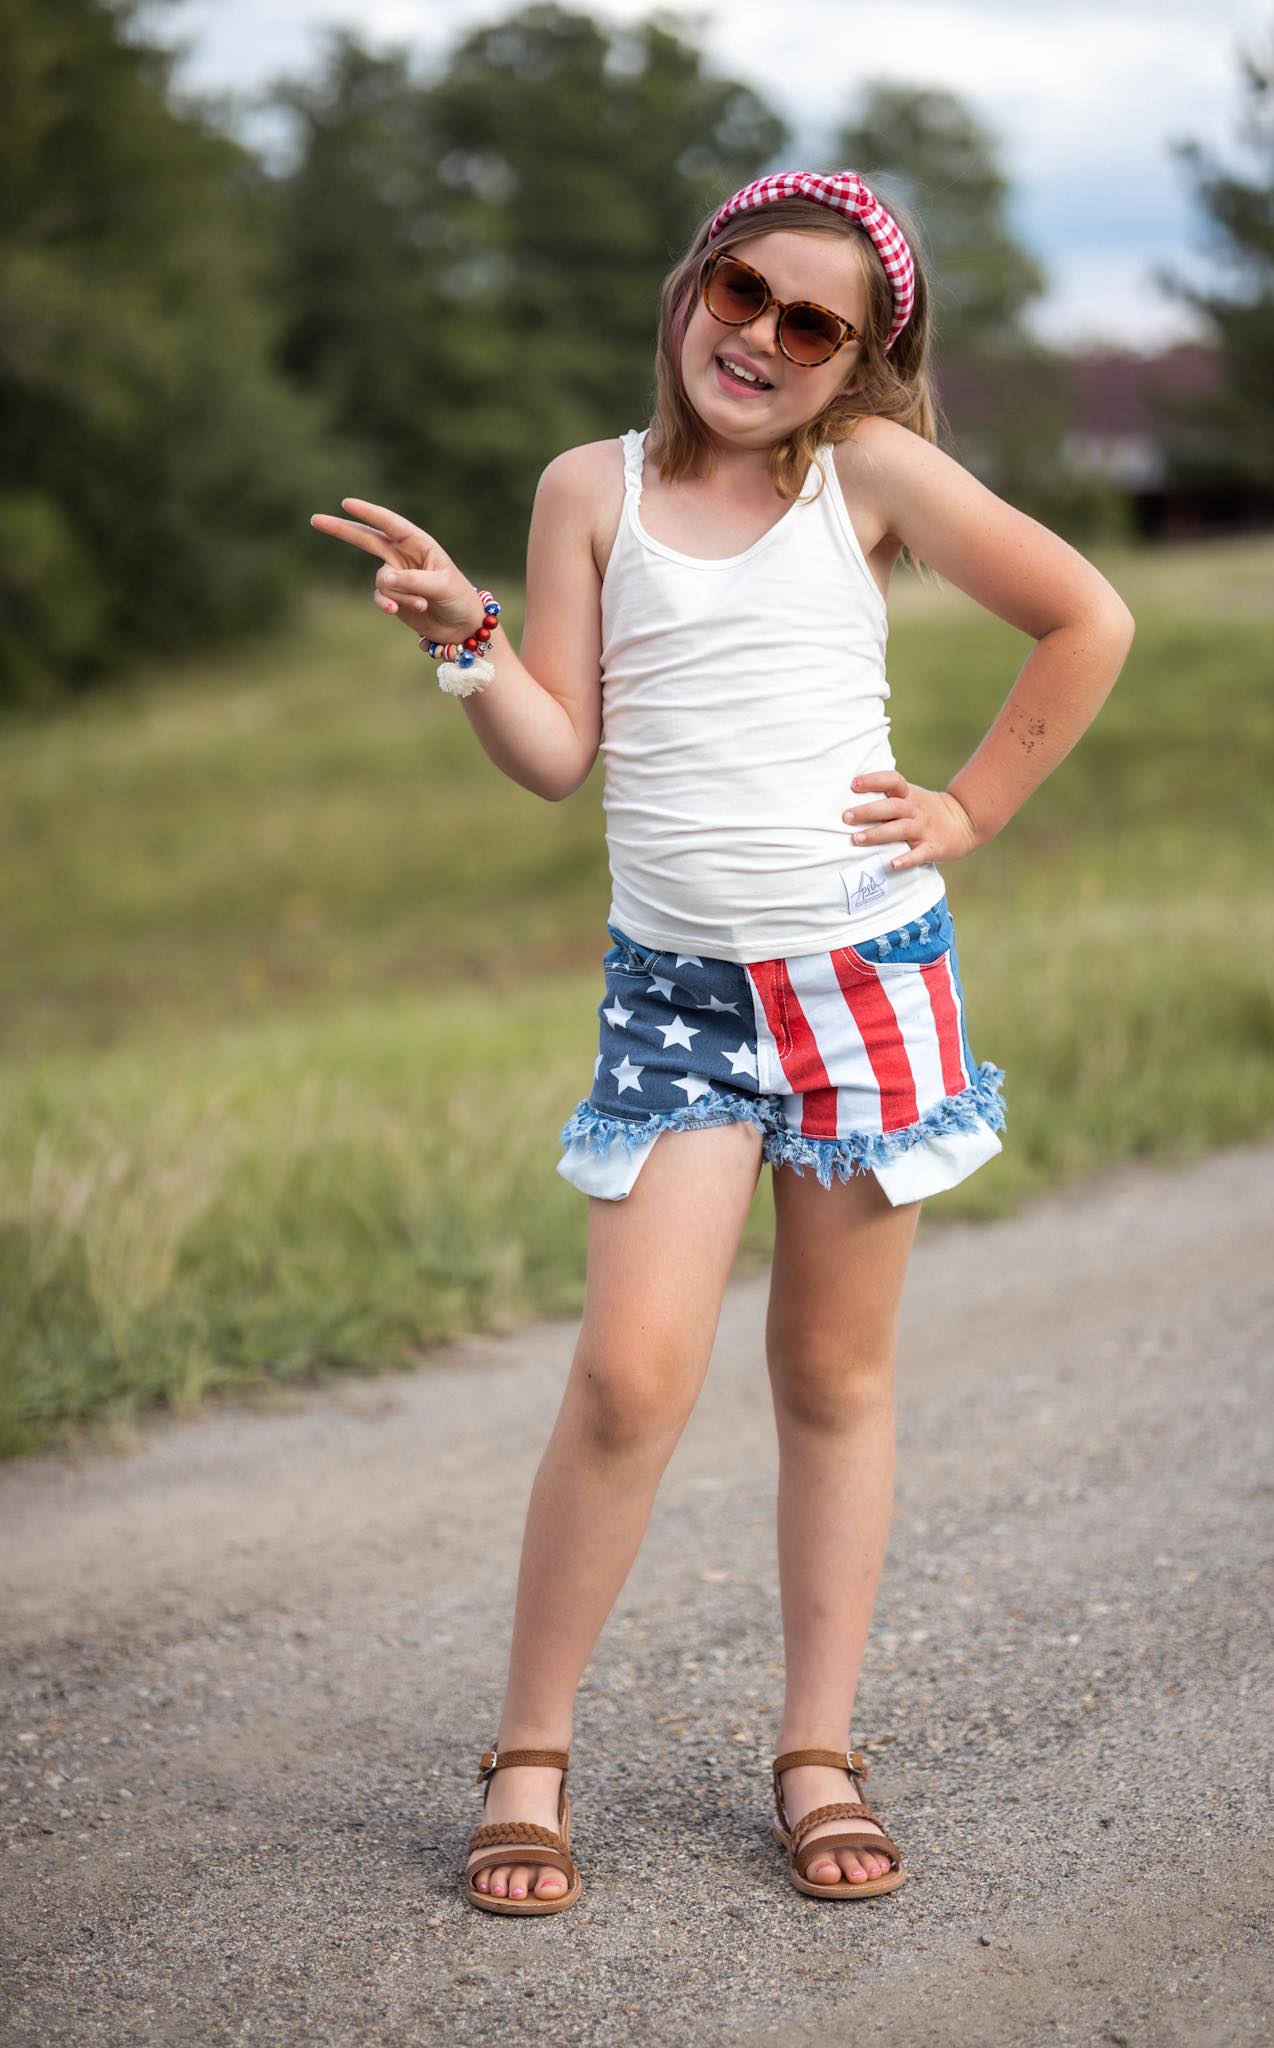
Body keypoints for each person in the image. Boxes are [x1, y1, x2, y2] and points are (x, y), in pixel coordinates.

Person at [310, 168, 1136, 1916]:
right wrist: (466, 637)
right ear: (695, 284)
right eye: (741, 292)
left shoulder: (872, 481)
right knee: (628, 1377)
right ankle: (528, 1754)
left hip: (863, 987)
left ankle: (815, 1747)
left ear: (858, 362)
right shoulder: (584, 490)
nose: (759, 337)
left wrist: (973, 805)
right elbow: (555, 755)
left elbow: (1090, 615)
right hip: (676, 1004)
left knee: (830, 1379)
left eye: (810, 322)